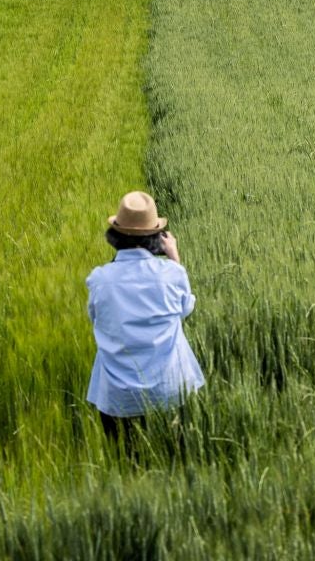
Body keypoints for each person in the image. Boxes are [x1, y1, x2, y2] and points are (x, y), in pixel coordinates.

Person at [85, 190, 204, 448]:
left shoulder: (99, 279)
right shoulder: (171, 274)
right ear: (157, 237)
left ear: (115, 235)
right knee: (174, 458)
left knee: (126, 463)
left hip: (119, 399)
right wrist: (174, 258)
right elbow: (186, 309)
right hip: (171, 392)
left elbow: (95, 317)